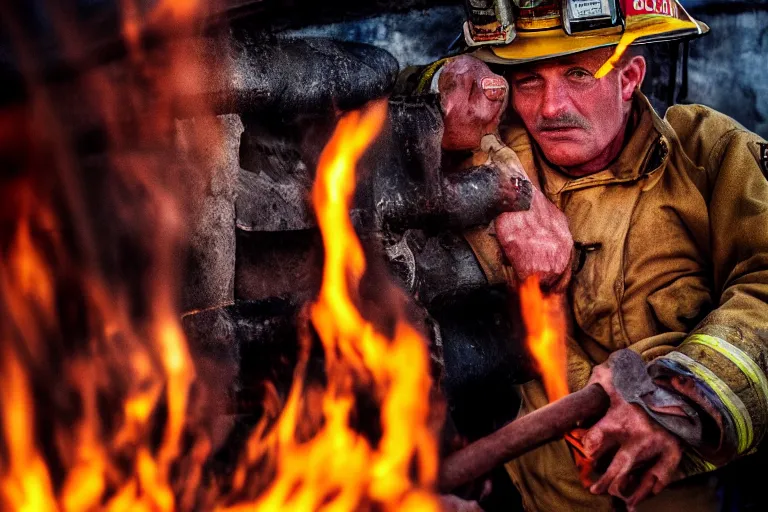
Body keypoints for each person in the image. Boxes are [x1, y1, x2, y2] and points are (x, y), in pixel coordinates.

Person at [418, 1, 768, 510]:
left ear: (630, 77)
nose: (551, 107)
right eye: (529, 80)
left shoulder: (711, 156)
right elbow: (377, 103)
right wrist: (503, 177)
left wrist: (677, 403)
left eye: (578, 73)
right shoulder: (496, 150)